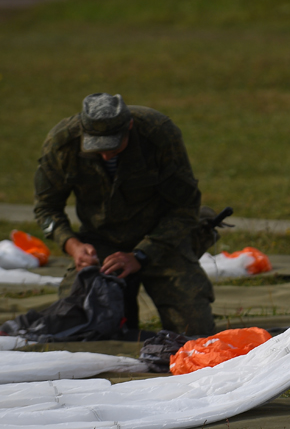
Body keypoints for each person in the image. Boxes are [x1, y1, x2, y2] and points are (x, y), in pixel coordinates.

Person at [34, 93, 216, 336]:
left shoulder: (158, 134)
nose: (107, 155)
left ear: (129, 127)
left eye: (113, 145)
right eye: (97, 147)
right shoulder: (63, 143)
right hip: (101, 244)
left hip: (161, 241)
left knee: (195, 331)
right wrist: (73, 246)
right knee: (79, 327)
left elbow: (185, 207)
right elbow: (46, 208)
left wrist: (141, 255)